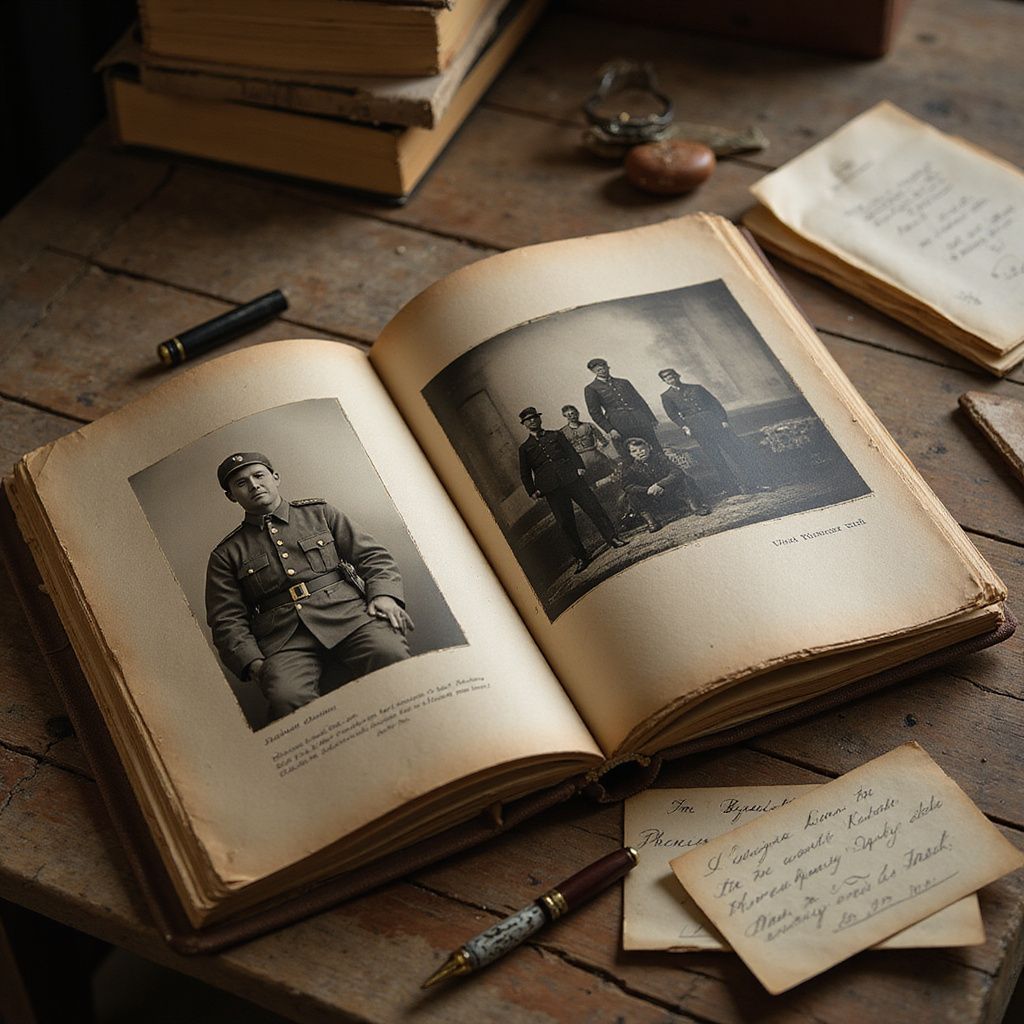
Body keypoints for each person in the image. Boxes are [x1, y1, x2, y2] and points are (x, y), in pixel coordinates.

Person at [205, 452, 413, 723]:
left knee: (391, 654)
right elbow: (226, 619)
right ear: (231, 496)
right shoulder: (227, 553)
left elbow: (372, 556)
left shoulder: (319, 514)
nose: (254, 485)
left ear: (275, 478)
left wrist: (384, 595)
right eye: (241, 483)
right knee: (285, 697)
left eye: (259, 476)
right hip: (283, 638)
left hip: (348, 615)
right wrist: (251, 661)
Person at [517, 408, 628, 573]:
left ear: (539, 419)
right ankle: (581, 557)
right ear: (524, 424)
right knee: (565, 523)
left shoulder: (555, 435)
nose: (532, 421)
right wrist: (532, 490)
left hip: (572, 479)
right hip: (551, 488)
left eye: (534, 418)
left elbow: (571, 452)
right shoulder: (525, 448)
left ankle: (613, 538)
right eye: (528, 420)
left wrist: (579, 467)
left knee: (593, 507)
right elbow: (525, 472)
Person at [659, 368, 770, 494]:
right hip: (697, 428)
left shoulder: (696, 388)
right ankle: (732, 488)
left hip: (714, 423)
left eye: (672, 375)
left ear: (677, 375)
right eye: (666, 377)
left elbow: (714, 404)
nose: (670, 378)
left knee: (735, 452)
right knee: (715, 458)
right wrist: (685, 427)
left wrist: (723, 420)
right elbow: (673, 414)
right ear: (664, 381)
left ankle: (755, 483)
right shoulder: (667, 396)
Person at [621, 437, 712, 532]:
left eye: (642, 449)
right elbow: (627, 486)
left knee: (684, 479)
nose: (640, 452)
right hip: (651, 497)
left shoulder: (659, 458)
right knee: (631, 495)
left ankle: (695, 506)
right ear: (631, 454)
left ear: (649, 448)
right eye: (634, 451)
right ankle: (651, 521)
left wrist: (660, 484)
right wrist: (647, 489)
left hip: (670, 491)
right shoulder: (631, 468)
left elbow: (677, 472)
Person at [583, 358, 663, 454]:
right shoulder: (591, 388)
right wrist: (610, 429)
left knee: (654, 448)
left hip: (640, 419)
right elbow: (595, 413)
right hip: (619, 424)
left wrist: (651, 418)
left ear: (608, 367)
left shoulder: (624, 382)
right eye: (598, 370)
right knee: (629, 453)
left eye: (604, 368)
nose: (602, 371)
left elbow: (639, 401)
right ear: (593, 371)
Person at [560, 404, 614, 483]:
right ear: (565, 416)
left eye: (573, 413)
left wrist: (603, 449)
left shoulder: (589, 426)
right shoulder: (562, 432)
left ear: (578, 413)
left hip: (596, 457)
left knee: (609, 477)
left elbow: (603, 441)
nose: (572, 416)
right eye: (568, 415)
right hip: (580, 462)